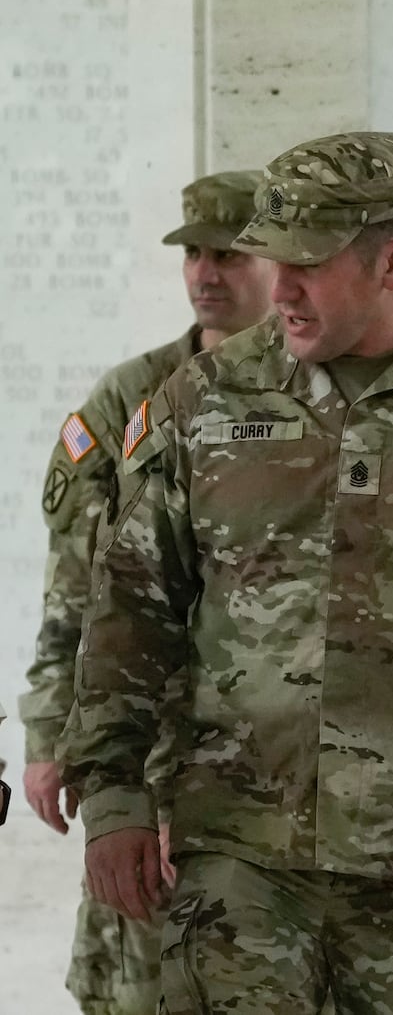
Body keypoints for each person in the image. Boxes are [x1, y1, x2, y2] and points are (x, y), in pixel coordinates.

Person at [59, 131, 393, 1015]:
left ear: (392, 261)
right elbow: (131, 608)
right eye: (271, 259)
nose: (280, 288)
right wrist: (112, 796)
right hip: (239, 849)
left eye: (308, 264)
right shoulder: (200, 400)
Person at [19, 170, 273, 1015]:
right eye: (195, 254)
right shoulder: (131, 400)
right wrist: (51, 728)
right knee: (137, 975)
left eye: (230, 255)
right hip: (147, 737)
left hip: (273, 758)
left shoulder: (320, 396)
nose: (207, 273)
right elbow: (77, 584)